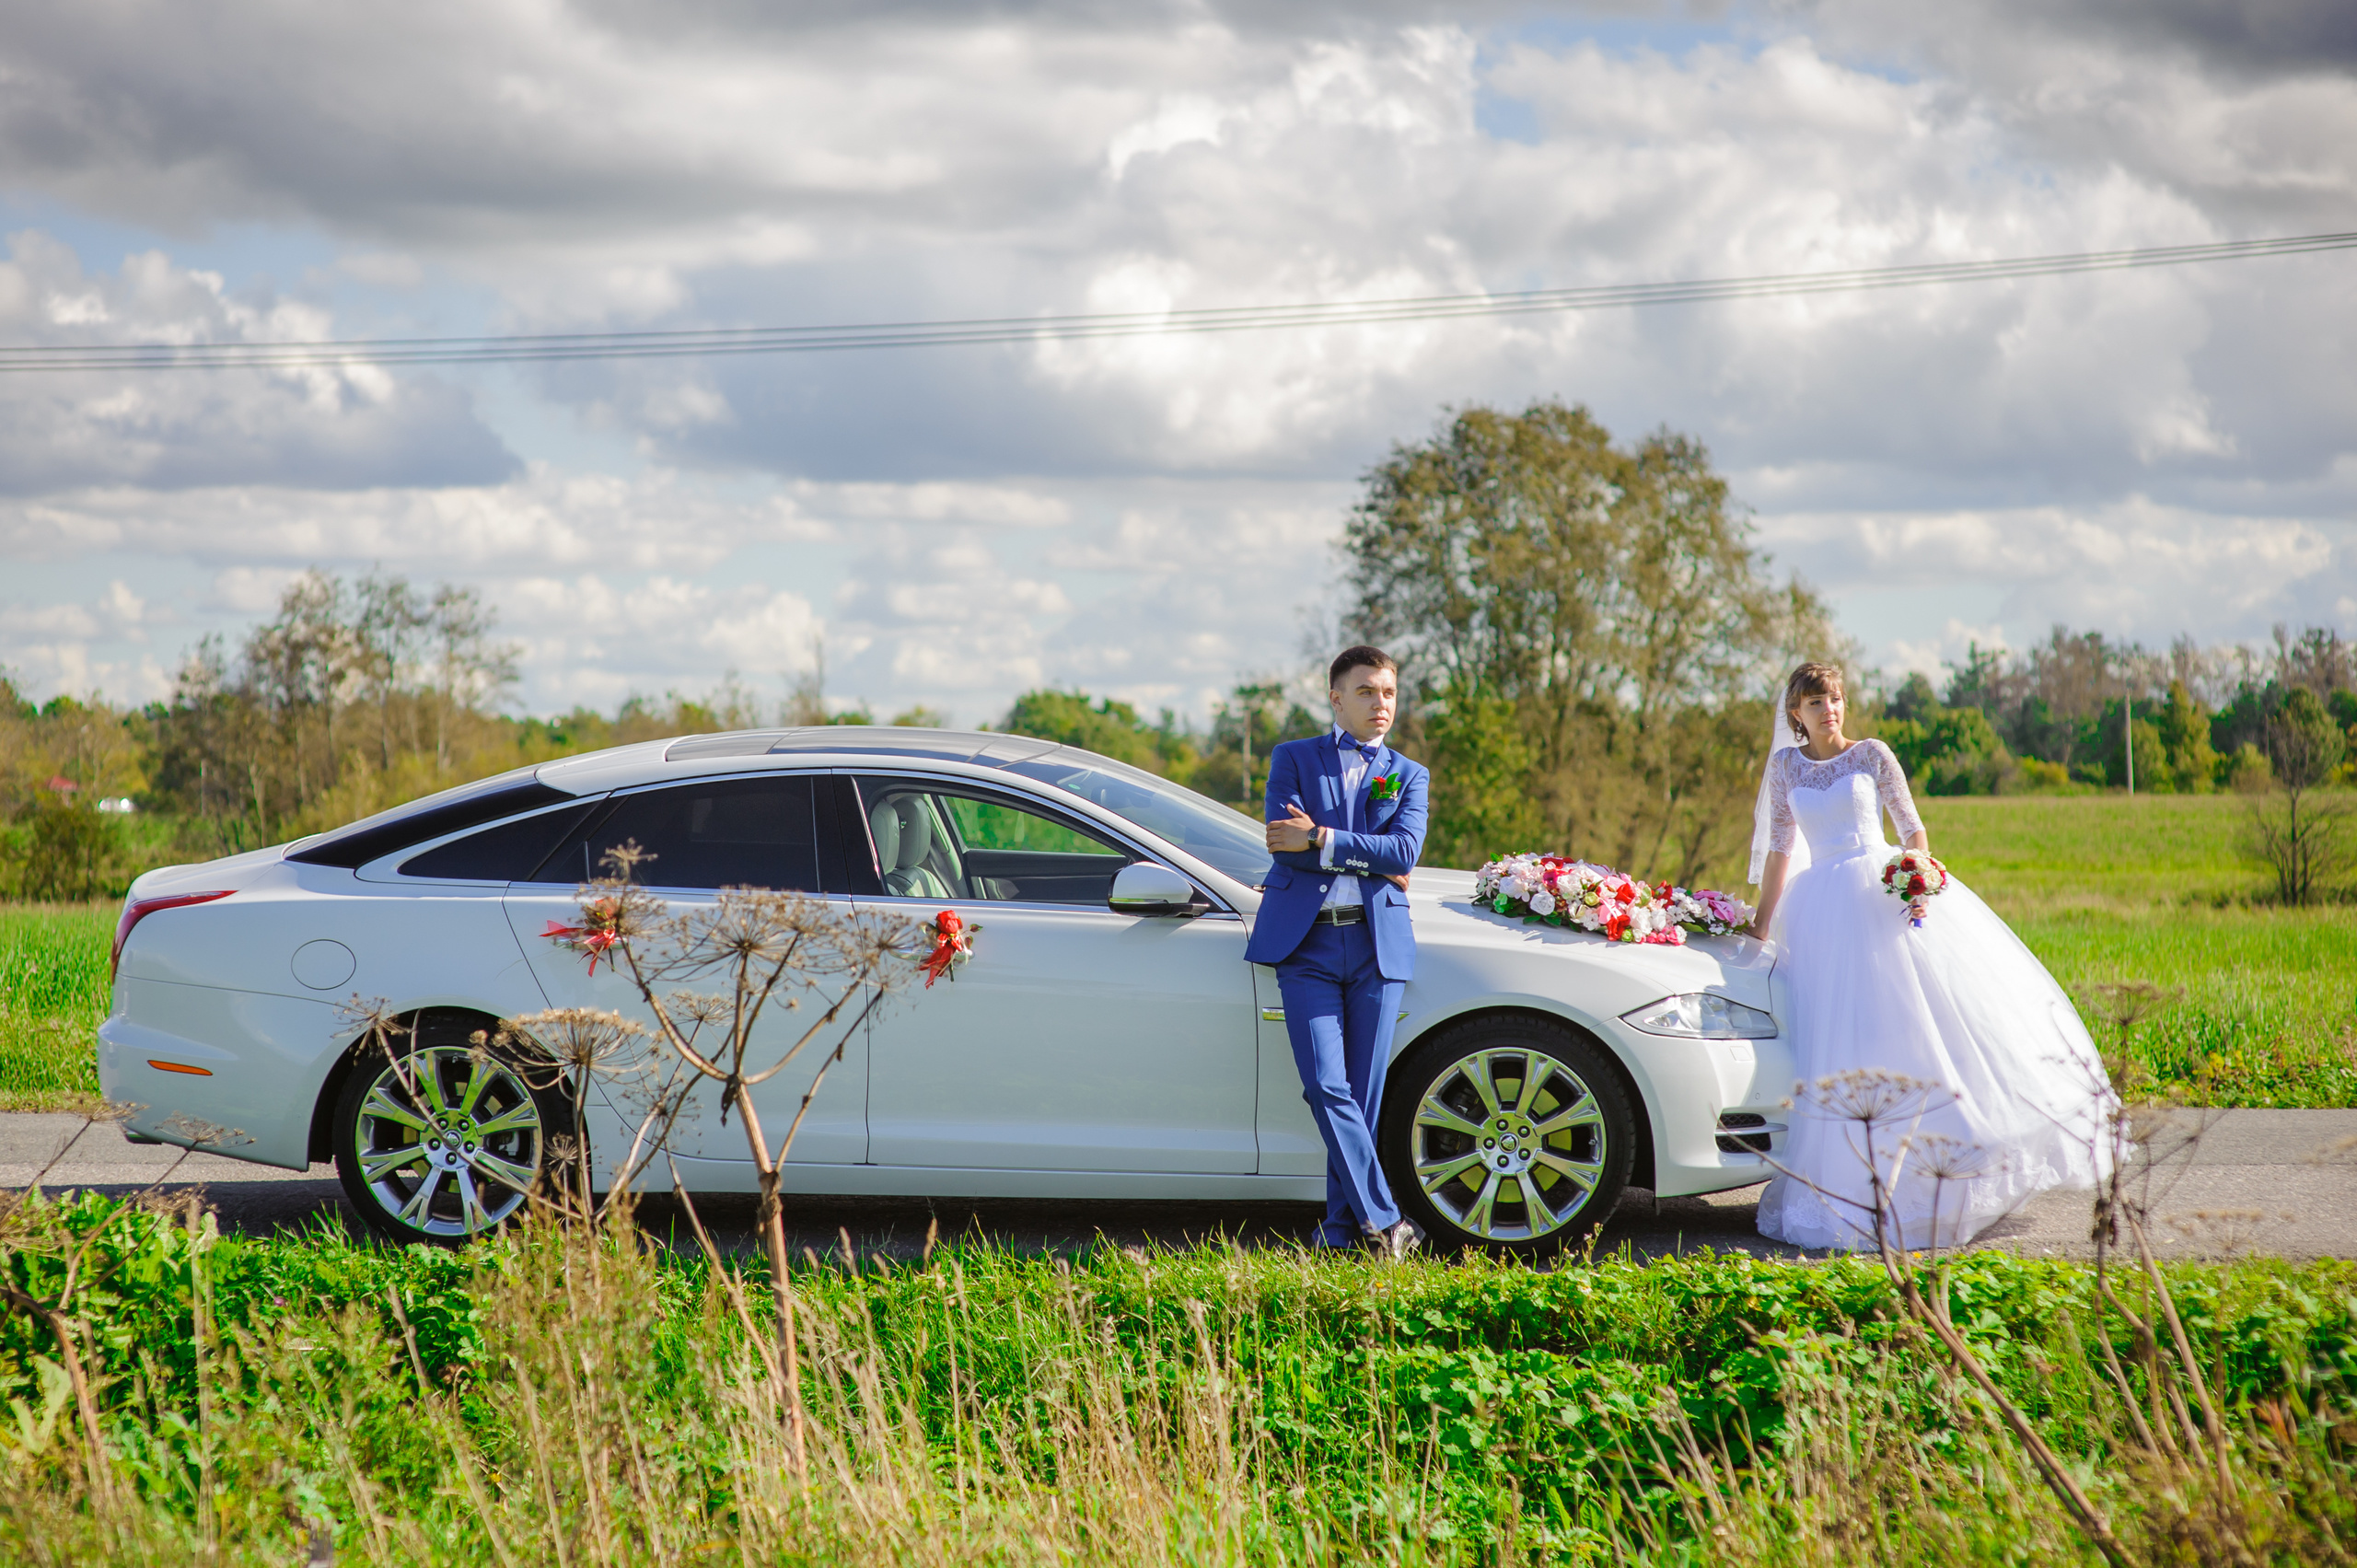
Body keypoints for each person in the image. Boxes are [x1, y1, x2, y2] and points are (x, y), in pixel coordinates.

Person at [1747, 661, 2114, 1250]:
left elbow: (1913, 830)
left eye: (1837, 699)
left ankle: (1941, 1172)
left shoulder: (1872, 754)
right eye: (1817, 702)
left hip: (1879, 896)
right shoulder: (1785, 766)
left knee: (1913, 1031)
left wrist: (1914, 880)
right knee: (1837, 1041)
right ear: (1797, 712)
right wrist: (1761, 924)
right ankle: (1851, 1188)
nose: (1830, 710)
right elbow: (1780, 852)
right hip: (1818, 914)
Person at [1246, 645, 1430, 1258]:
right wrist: (1364, 851)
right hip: (1307, 944)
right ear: (1336, 697)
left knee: (1363, 1096)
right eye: (1367, 692)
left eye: (1389, 693)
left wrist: (1322, 836)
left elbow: (1402, 852)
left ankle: (1341, 1232)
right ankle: (1388, 1219)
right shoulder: (1294, 759)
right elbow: (1282, 846)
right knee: (1327, 1085)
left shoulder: (1407, 773)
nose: (1382, 704)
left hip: (1377, 946)